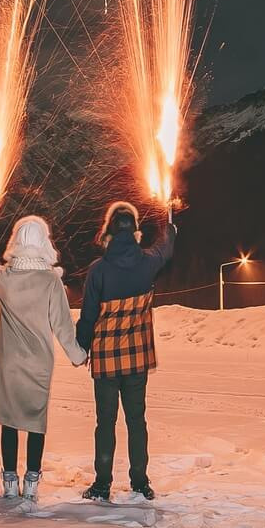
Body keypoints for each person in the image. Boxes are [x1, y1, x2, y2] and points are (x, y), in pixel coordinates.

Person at [0, 209, 87, 503]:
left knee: (9, 421)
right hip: (39, 363)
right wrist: (78, 355)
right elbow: (62, 325)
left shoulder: (6, 278)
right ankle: (32, 481)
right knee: (36, 421)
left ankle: (10, 481)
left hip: (8, 362)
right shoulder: (50, 282)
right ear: (44, 242)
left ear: (17, 241)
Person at [76, 197, 176, 501]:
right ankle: (140, 482)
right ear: (135, 232)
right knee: (136, 421)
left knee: (105, 423)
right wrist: (170, 228)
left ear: (108, 231)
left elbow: (88, 316)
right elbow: (165, 249)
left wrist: (81, 346)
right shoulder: (147, 263)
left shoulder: (98, 271)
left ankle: (102, 484)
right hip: (136, 358)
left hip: (106, 360)